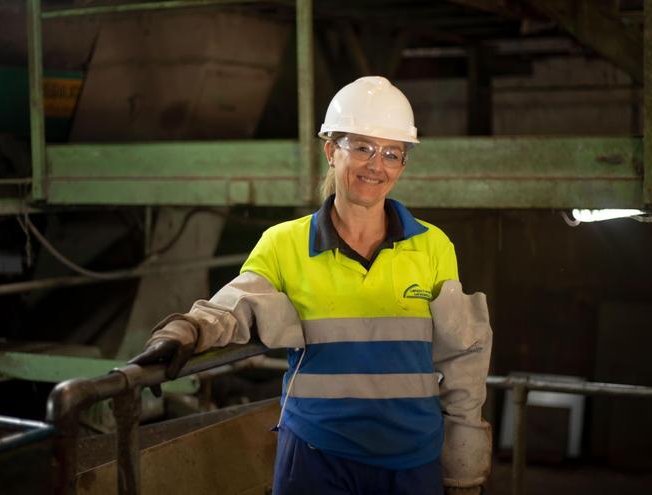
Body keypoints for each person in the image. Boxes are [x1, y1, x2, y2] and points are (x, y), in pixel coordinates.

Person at [129, 76, 492, 495]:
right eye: (361, 147)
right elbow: (236, 304)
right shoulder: (285, 243)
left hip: (412, 457)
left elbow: (462, 356)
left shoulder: (432, 246)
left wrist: (465, 462)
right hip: (316, 454)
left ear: (402, 165)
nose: (376, 166)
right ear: (330, 151)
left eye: (391, 153)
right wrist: (186, 330)